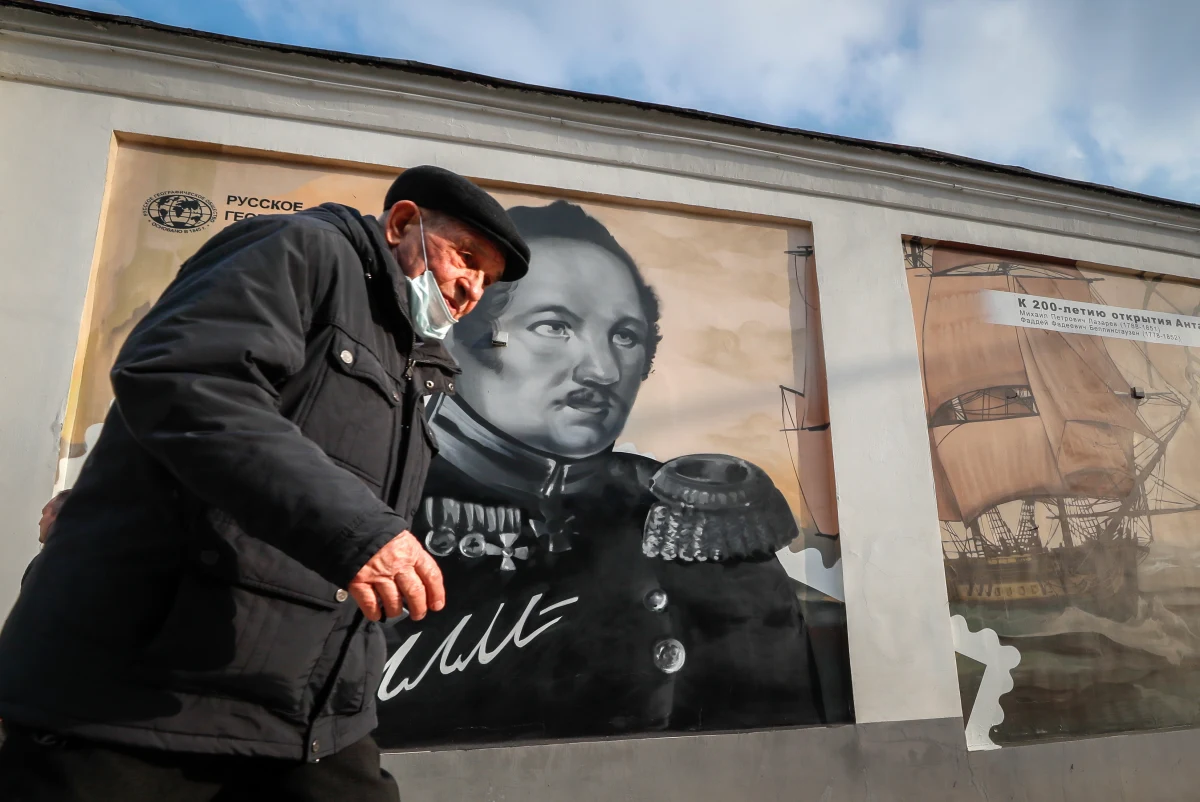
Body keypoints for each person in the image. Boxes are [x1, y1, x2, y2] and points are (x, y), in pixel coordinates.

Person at [0, 166, 530, 801]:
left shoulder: (419, 360)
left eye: (486, 281)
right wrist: (360, 534)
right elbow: (187, 379)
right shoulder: (299, 250)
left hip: (305, 717)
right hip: (138, 702)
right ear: (402, 225)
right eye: (465, 258)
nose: (470, 288)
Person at [372, 200, 831, 748]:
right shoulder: (374, 493)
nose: (603, 370)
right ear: (456, 337)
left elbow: (781, 725)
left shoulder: (696, 508)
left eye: (626, 336)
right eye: (554, 326)